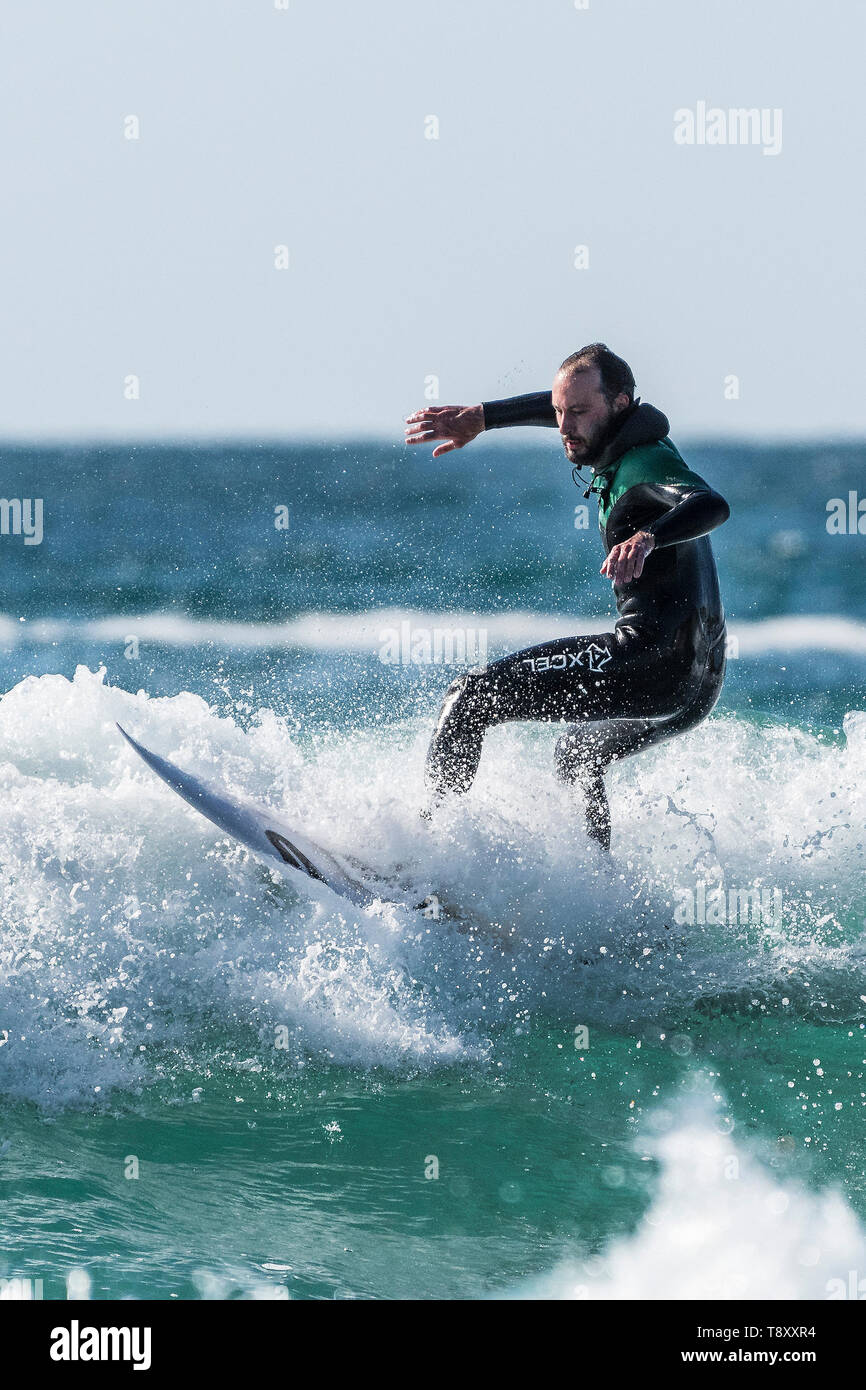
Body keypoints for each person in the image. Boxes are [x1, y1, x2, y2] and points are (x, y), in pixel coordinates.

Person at [404, 343, 730, 852]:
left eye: (578, 413)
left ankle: (426, 855)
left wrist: (647, 538)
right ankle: (602, 898)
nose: (563, 426)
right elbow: (565, 404)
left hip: (652, 658)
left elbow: (711, 504)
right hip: (698, 680)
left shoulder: (645, 466)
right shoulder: (620, 434)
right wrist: (484, 418)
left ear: (620, 404)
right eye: (559, 412)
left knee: (470, 698)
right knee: (577, 755)